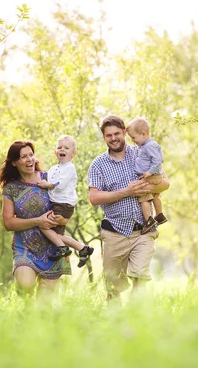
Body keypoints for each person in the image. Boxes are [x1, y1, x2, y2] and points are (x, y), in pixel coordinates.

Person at [88, 115, 170, 299]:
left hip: (144, 230)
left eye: (117, 133)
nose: (114, 138)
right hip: (115, 232)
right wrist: (126, 191)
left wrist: (145, 187)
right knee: (112, 288)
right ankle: (114, 323)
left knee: (140, 277)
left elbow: (165, 183)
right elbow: (94, 197)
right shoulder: (98, 165)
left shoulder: (143, 151)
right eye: (109, 135)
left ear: (125, 132)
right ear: (104, 137)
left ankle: (135, 320)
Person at [0, 140, 71, 293]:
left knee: (44, 306)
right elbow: (8, 223)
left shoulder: (49, 178)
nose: (29, 159)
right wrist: (38, 221)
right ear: (14, 162)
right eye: (23, 157)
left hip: (52, 247)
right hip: (24, 247)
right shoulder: (11, 188)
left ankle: (29, 316)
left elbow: (67, 206)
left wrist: (62, 220)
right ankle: (24, 302)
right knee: (26, 285)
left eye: (31, 155)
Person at [37, 135, 94, 268]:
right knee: (57, 235)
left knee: (43, 225)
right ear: (55, 151)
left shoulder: (70, 168)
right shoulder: (53, 168)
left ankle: (62, 248)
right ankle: (82, 248)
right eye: (59, 147)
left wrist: (48, 185)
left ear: (74, 153)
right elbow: (46, 178)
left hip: (63, 204)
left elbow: (60, 184)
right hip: (56, 203)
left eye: (66, 148)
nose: (62, 149)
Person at [126, 117, 167, 234]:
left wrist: (149, 172)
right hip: (153, 176)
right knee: (155, 197)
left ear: (143, 134)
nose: (133, 140)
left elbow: (158, 160)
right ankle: (159, 215)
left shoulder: (149, 146)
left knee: (143, 198)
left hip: (151, 176)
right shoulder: (149, 145)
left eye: (134, 137)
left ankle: (149, 220)